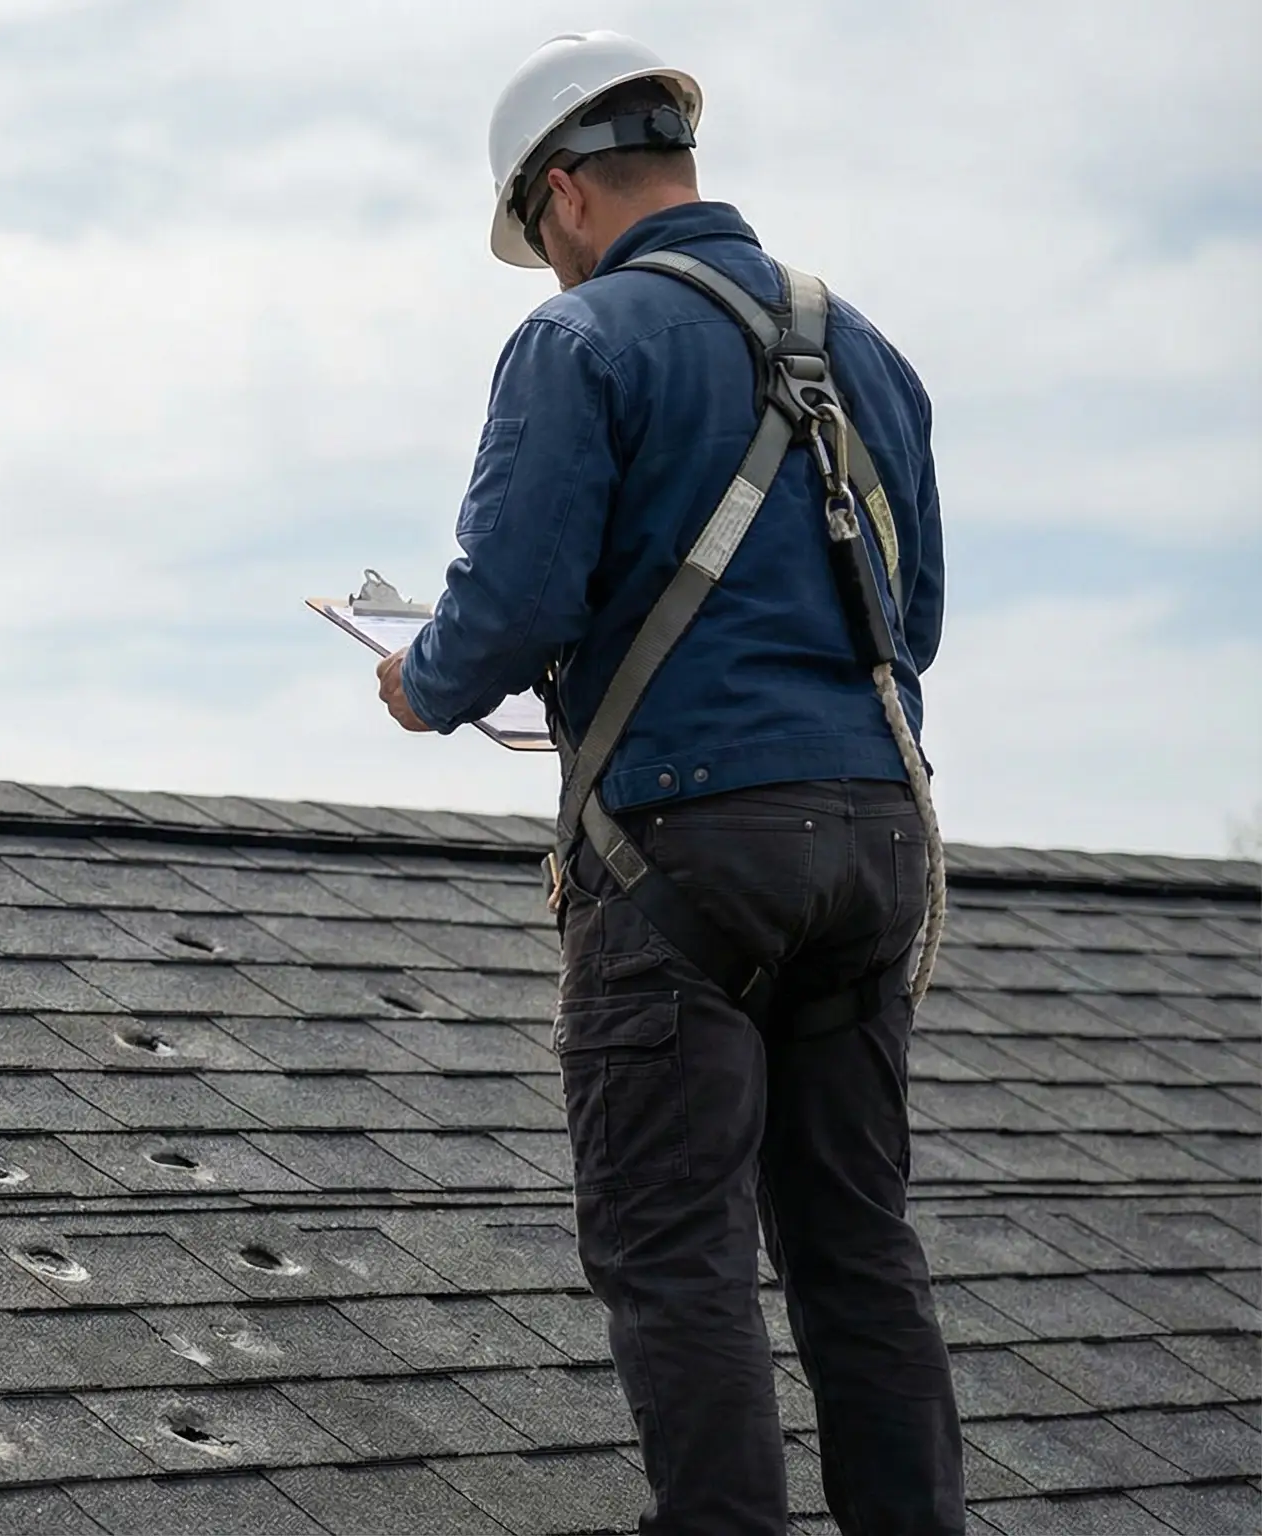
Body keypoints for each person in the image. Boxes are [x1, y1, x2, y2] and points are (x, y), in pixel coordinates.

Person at [373, 31, 963, 1536]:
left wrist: (421, 681)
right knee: (858, 1252)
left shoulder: (580, 344)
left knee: (676, 1252)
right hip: (874, 841)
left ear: (562, 193)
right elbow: (918, 623)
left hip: (686, 861)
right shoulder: (869, 347)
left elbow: (503, 612)